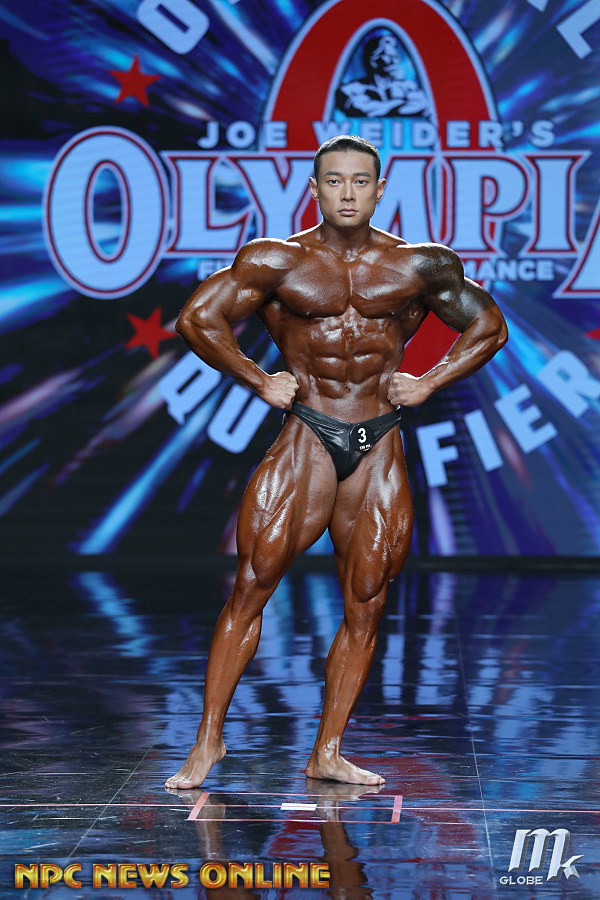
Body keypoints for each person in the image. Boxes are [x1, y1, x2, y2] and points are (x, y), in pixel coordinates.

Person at [166, 134, 507, 790]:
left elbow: (489, 326)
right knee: (253, 583)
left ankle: (327, 751)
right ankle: (208, 741)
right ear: (315, 189)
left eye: (359, 181)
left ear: (379, 190)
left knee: (367, 600)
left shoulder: (419, 265)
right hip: (309, 433)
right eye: (334, 181)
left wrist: (429, 382)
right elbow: (197, 318)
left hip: (378, 439)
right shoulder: (276, 260)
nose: (347, 193)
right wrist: (258, 378)